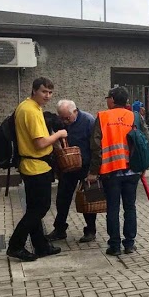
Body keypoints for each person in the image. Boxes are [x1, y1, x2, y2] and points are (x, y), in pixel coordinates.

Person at [6, 77, 68, 262]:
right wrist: (59, 134)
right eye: (43, 92)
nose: (47, 96)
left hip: (33, 164)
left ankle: (40, 245)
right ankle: (16, 245)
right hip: (35, 166)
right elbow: (40, 142)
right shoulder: (31, 111)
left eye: (50, 92)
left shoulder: (28, 107)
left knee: (34, 207)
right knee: (40, 208)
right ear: (34, 90)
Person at [88, 86, 149, 256]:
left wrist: (93, 171)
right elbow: (147, 142)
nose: (107, 101)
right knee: (130, 207)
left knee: (113, 209)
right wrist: (143, 167)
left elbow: (96, 147)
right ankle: (130, 244)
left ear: (112, 99)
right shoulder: (135, 117)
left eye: (107, 98)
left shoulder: (102, 117)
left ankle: (115, 246)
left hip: (110, 172)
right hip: (132, 172)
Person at [46, 100, 98, 243]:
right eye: (61, 118)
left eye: (67, 118)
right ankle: (59, 229)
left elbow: (96, 146)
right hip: (67, 167)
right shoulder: (60, 123)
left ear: (75, 111)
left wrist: (94, 170)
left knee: (88, 199)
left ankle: (90, 230)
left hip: (85, 166)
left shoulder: (88, 121)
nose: (64, 121)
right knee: (62, 198)